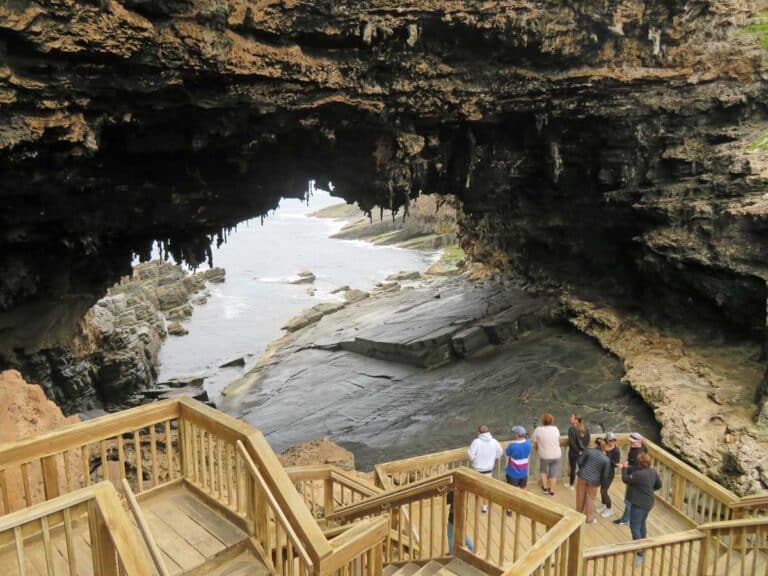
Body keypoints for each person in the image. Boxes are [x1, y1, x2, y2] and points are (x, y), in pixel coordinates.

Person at [620, 452, 661, 564]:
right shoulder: (653, 472)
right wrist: (648, 490)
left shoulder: (638, 475)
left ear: (639, 463)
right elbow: (658, 485)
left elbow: (625, 479)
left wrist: (624, 468)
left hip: (638, 505)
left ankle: (640, 552)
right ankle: (643, 544)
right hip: (649, 503)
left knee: (634, 528)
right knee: (642, 524)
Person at [614, 432, 649, 525]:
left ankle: (626, 519)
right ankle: (628, 518)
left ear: (640, 441)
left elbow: (637, 467)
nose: (631, 443)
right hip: (636, 476)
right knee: (631, 499)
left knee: (629, 499)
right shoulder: (639, 449)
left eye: (634, 442)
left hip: (634, 477)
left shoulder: (639, 452)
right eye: (631, 441)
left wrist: (625, 467)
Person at [468, 424, 503, 512]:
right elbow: (500, 452)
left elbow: (471, 456)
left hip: (477, 469)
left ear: (479, 432)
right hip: (488, 470)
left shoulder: (476, 442)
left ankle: (474, 501)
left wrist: (474, 459)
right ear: (488, 432)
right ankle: (484, 506)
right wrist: (495, 457)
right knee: (486, 488)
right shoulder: (494, 441)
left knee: (476, 486)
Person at [575, 439, 611, 524]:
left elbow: (579, 461)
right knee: (590, 498)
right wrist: (602, 485)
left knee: (580, 495)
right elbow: (605, 475)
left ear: (596, 444)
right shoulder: (606, 459)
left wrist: (583, 469)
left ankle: (578, 515)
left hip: (582, 476)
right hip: (594, 481)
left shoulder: (588, 451)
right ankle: (589, 519)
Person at [531, 413, 562, 496]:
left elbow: (533, 440)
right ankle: (552, 491)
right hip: (556, 454)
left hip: (545, 455)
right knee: (553, 473)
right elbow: (558, 439)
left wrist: (538, 445)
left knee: (543, 471)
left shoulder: (538, 430)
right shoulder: (556, 429)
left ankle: (545, 488)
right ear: (552, 421)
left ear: (542, 421)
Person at [597, 432, 620, 518]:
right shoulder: (603, 447)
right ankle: (604, 505)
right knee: (601, 490)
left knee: (604, 491)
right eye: (610, 440)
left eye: (614, 440)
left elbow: (615, 464)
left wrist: (607, 457)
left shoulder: (616, 451)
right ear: (606, 440)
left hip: (609, 473)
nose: (612, 442)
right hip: (602, 471)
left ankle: (610, 509)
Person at [567, 414, 590, 491]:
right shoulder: (586, 429)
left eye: (572, 417)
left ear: (576, 420)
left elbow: (572, 443)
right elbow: (588, 441)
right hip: (583, 452)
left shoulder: (571, 429)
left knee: (573, 469)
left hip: (574, 453)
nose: (570, 418)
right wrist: (583, 450)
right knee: (582, 468)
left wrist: (577, 451)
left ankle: (571, 485)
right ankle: (584, 485)